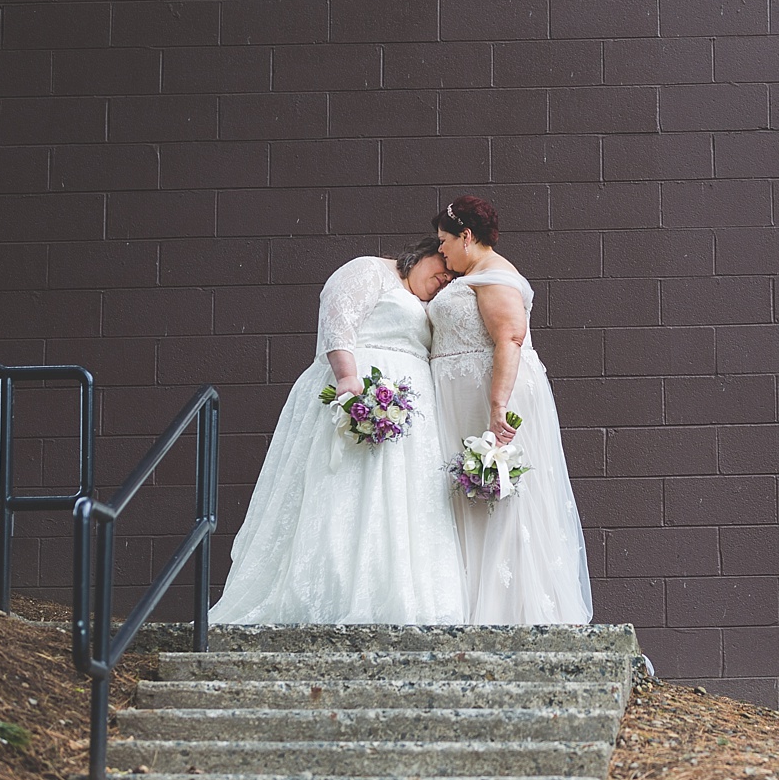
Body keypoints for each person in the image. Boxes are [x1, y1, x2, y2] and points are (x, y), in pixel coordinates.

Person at [210, 238, 466, 624]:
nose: (442, 279)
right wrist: (348, 378)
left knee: (399, 502)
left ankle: (393, 595)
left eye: (451, 278)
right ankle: (329, 594)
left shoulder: (426, 303)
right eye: (441, 268)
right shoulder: (370, 270)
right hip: (358, 393)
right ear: (421, 253)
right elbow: (338, 318)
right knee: (343, 490)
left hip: (408, 416)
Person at [428, 195, 593, 623]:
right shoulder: (477, 273)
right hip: (465, 398)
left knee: (498, 498)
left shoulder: (495, 275)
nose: (440, 251)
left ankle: (506, 613)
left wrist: (497, 405)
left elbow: (511, 337)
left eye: (444, 241)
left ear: (466, 236)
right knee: (473, 496)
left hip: (491, 395)